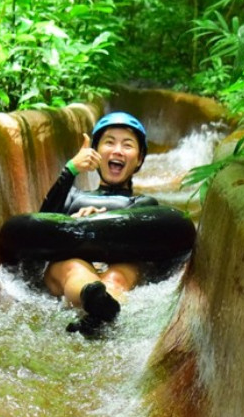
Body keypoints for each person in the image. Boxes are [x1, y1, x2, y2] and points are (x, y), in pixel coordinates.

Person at [40, 112, 158, 336]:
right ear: (95, 152)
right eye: (109, 142)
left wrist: (95, 222)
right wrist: (70, 170)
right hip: (72, 266)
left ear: (140, 159)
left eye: (127, 144)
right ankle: (91, 297)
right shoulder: (72, 198)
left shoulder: (143, 204)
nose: (117, 150)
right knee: (74, 268)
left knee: (117, 276)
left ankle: (100, 313)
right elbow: (40, 228)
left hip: (116, 266)